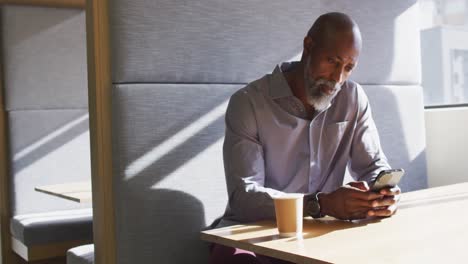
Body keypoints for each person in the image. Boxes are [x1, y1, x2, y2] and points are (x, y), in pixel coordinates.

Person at [210, 12, 401, 264]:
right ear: (308, 46)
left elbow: (373, 165)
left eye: (348, 67)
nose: (337, 78)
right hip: (255, 235)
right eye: (332, 61)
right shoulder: (248, 103)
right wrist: (320, 205)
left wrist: (383, 193)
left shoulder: (353, 98)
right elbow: (244, 197)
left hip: (318, 236)